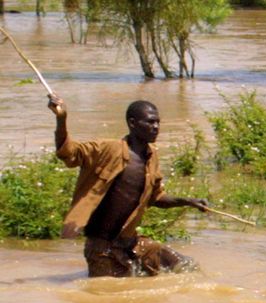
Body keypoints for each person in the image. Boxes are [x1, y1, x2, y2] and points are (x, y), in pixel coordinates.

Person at [48, 95, 208, 277]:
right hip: (102, 248)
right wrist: (61, 119)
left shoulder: (151, 157)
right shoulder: (107, 149)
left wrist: (188, 202)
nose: (156, 127)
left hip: (131, 243)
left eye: (157, 122)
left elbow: (156, 197)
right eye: (150, 122)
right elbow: (68, 153)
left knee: (185, 266)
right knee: (110, 295)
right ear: (132, 123)